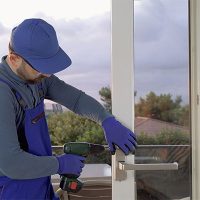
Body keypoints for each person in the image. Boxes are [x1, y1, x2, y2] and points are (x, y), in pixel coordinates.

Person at [0, 18, 137, 199]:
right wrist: (59, 164)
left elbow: (76, 100)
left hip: (38, 186)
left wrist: (105, 119)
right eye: (41, 68)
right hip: (11, 191)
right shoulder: (3, 93)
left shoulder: (38, 79)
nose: (48, 74)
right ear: (14, 59)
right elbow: (11, 163)